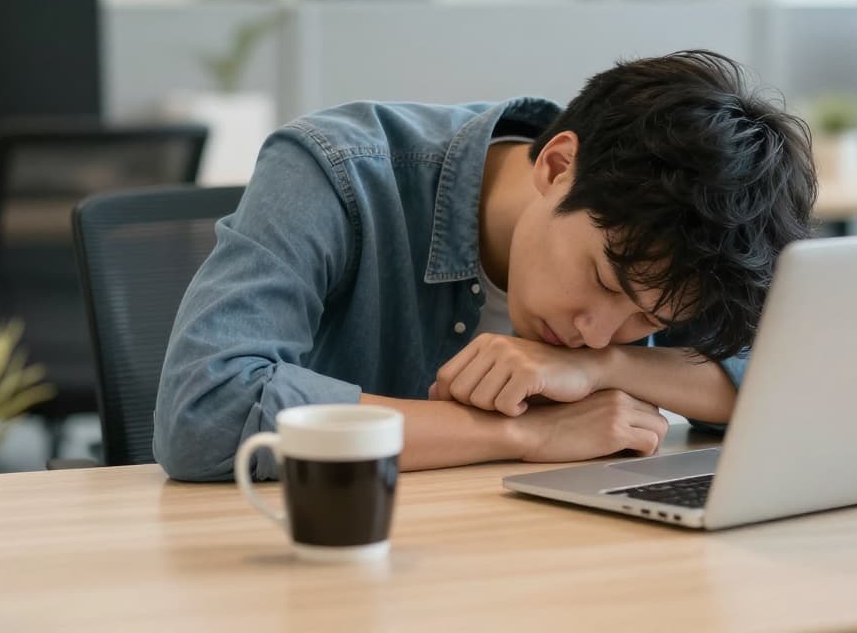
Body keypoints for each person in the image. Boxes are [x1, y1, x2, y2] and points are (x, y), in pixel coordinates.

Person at [155, 50, 817, 481]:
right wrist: (526, 434)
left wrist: (603, 367)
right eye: (602, 282)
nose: (597, 327)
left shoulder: (663, 241)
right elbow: (206, 409)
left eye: (646, 318)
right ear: (557, 166)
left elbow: (793, 383)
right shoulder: (335, 171)